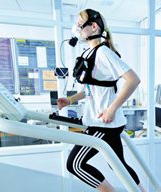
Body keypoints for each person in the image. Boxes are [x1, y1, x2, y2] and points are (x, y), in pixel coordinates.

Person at [57, 8, 146, 192]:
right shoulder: (88, 53)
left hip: (103, 124)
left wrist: (112, 108)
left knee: (74, 164)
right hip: (100, 122)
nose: (77, 29)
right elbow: (89, 89)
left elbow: (133, 80)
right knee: (117, 165)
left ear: (94, 26)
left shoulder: (103, 53)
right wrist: (70, 99)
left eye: (80, 25)